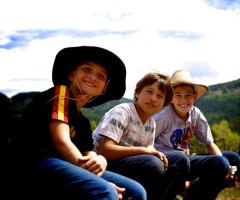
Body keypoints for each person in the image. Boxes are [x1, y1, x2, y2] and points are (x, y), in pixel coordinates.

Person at [4, 46, 146, 200]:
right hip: (31, 162)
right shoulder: (59, 95)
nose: (92, 77)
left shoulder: (82, 121)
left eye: (101, 76)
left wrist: (100, 159)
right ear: (72, 75)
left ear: (103, 90)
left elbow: (88, 151)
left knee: (136, 192)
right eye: (87, 69)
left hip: (61, 164)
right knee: (105, 191)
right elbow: (62, 142)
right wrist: (98, 180)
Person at [92, 72, 190, 200]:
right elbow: (106, 150)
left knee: (180, 160)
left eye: (160, 96)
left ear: (164, 104)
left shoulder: (151, 124)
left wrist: (153, 153)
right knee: (153, 164)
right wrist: (144, 151)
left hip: (128, 163)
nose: (153, 98)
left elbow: (148, 151)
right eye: (149, 92)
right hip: (104, 163)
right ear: (137, 92)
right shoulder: (123, 112)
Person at [153, 70, 240, 200]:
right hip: (170, 162)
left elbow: (209, 143)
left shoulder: (196, 114)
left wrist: (228, 168)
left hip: (186, 159)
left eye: (188, 95)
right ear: (171, 97)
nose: (183, 100)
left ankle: (195, 194)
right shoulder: (164, 117)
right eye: (177, 95)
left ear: (195, 96)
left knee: (232, 159)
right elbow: (145, 140)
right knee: (220, 163)